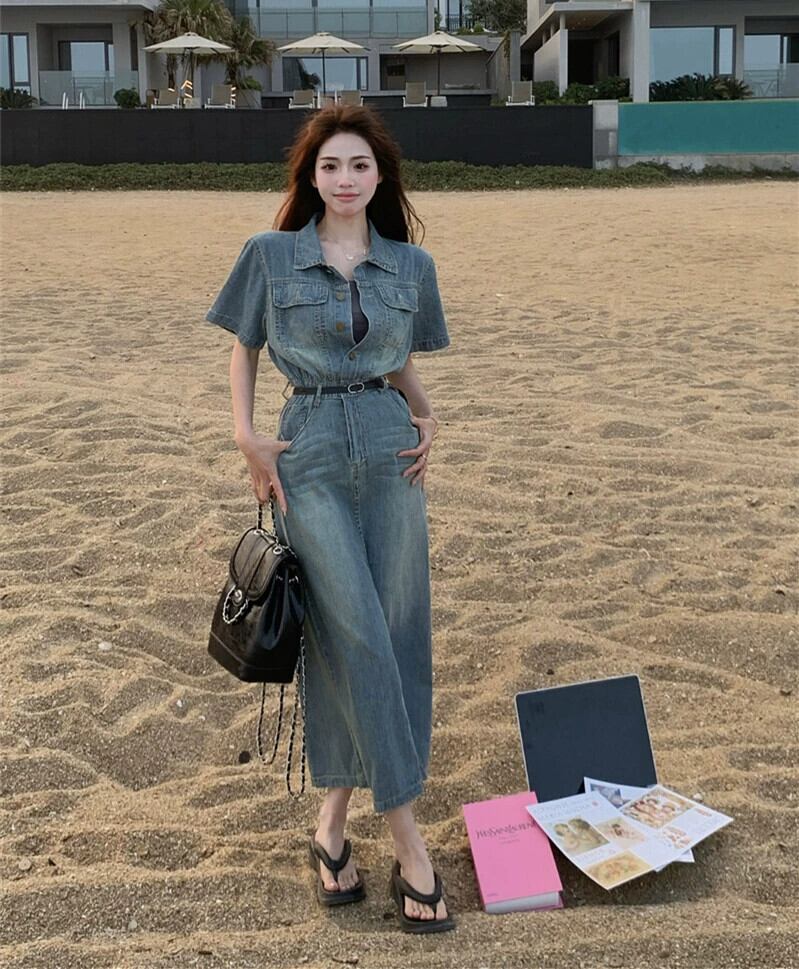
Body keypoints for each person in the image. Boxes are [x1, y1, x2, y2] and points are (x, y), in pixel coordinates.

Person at [205, 104, 454, 934]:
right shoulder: (270, 253)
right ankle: (408, 840)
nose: (345, 179)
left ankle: (331, 826)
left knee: (396, 628)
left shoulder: (410, 264)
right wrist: (246, 436)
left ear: (380, 177)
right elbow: (242, 344)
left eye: (359, 166)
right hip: (304, 447)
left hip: (390, 448)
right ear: (310, 177)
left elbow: (397, 356)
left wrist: (427, 413)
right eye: (330, 166)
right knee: (354, 630)